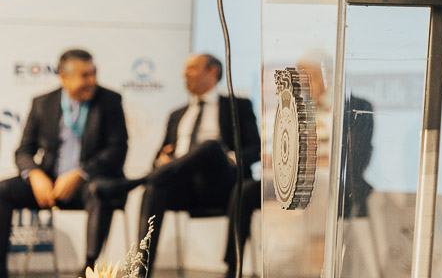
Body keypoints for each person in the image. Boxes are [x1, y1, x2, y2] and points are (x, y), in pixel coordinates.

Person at [223, 54, 373, 278]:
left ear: (327, 75)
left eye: (310, 74)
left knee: (319, 186)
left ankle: (316, 266)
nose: (304, 81)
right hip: (295, 176)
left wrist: (317, 161)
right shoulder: (296, 107)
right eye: (300, 75)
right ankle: (233, 265)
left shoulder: (352, 105)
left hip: (332, 177)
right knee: (244, 191)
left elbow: (356, 156)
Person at [0, 49, 128, 278]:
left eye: (93, 73)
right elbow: (23, 150)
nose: (92, 81)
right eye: (85, 75)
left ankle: (88, 270)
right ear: (63, 76)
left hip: (91, 183)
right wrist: (35, 175)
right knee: (3, 190)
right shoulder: (43, 103)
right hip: (49, 183)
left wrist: (80, 173)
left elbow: (117, 150)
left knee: (99, 190)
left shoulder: (109, 101)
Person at [130, 54, 259, 278]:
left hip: (222, 184)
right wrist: (160, 161)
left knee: (210, 147)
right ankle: (141, 271)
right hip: (184, 186)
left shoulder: (237, 106)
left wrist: (229, 157)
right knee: (154, 190)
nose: (184, 74)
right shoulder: (177, 114)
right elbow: (162, 153)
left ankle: (230, 270)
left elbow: (254, 148)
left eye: (191, 68)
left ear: (213, 72)